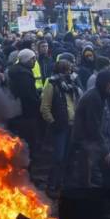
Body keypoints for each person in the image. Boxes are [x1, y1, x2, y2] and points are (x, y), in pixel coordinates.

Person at [73, 70, 110, 188]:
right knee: (88, 179)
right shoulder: (93, 98)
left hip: (96, 140)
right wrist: (106, 151)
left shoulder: (102, 96)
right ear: (103, 83)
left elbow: (106, 124)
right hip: (86, 141)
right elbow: (93, 127)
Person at [40, 59, 82, 195]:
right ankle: (51, 185)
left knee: (68, 156)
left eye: (70, 69)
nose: (69, 72)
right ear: (60, 70)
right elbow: (44, 107)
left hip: (73, 125)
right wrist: (52, 122)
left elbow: (77, 102)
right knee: (58, 157)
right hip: (60, 127)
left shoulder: (73, 83)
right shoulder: (52, 84)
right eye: (67, 70)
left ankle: (62, 183)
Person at [8, 49, 42, 166]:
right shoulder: (23, 75)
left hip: (18, 112)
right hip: (27, 114)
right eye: (32, 59)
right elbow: (28, 96)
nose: (34, 61)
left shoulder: (17, 71)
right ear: (26, 59)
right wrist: (39, 103)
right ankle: (28, 167)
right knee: (28, 141)